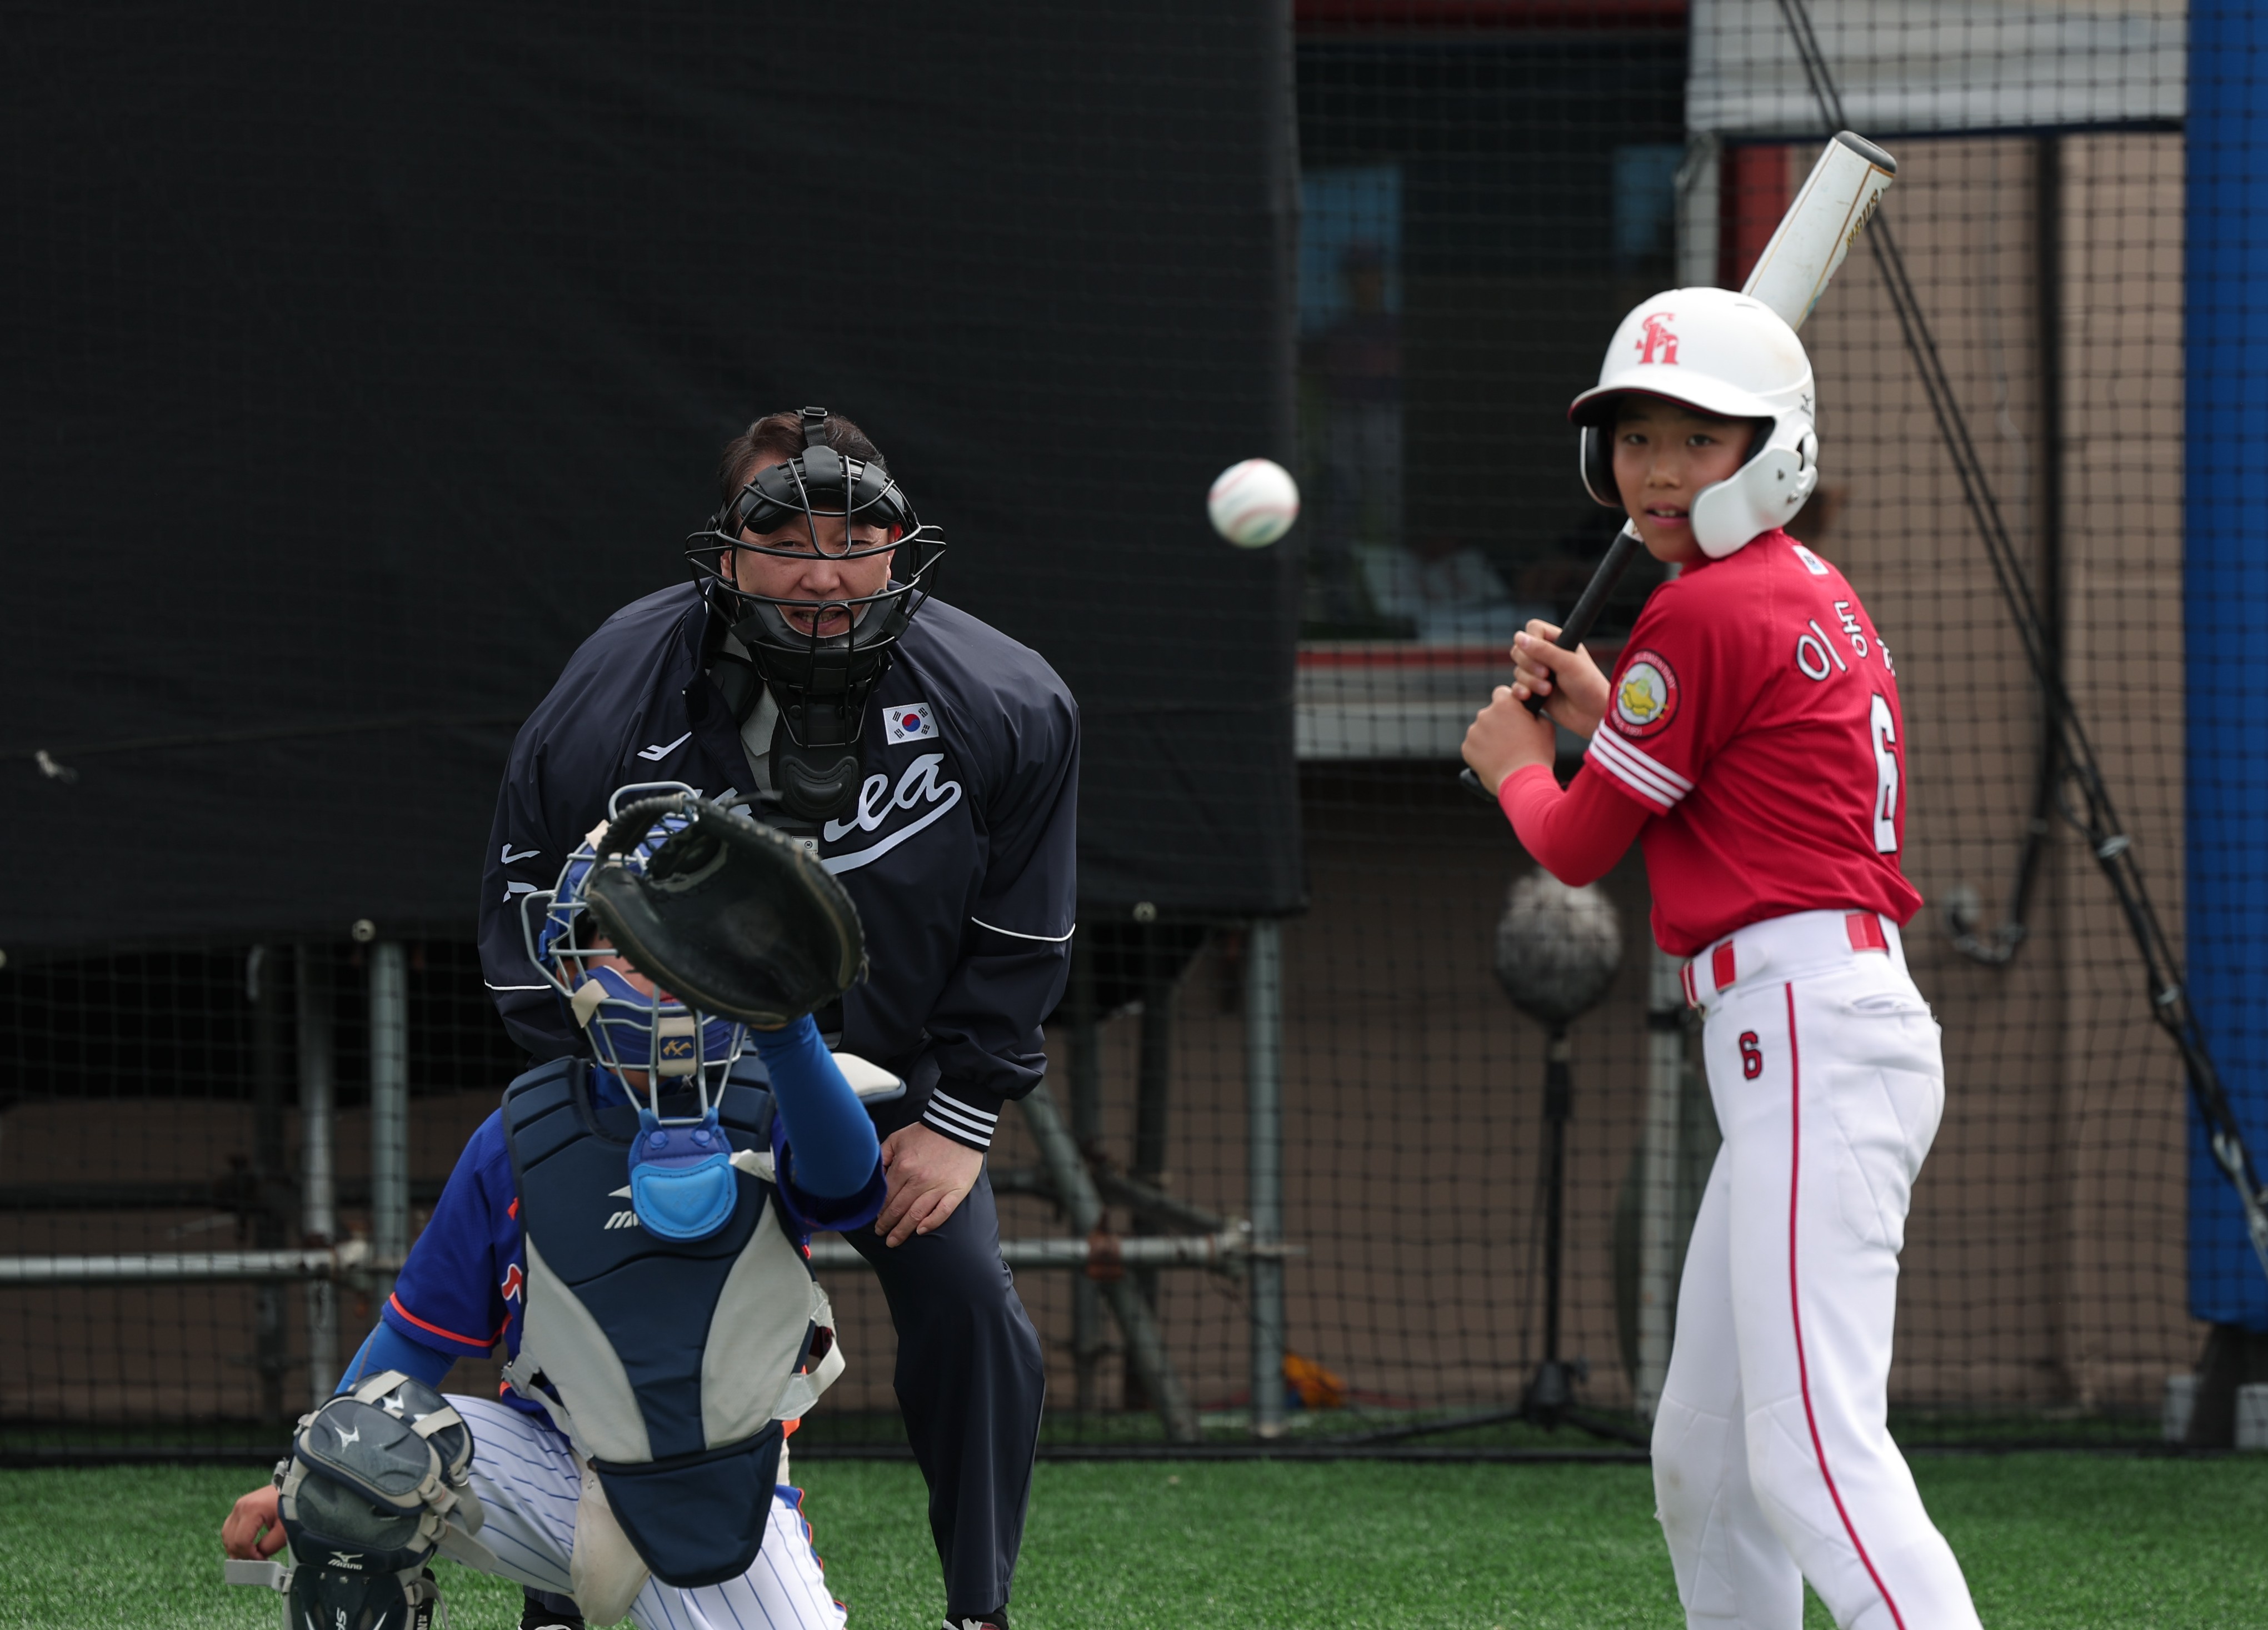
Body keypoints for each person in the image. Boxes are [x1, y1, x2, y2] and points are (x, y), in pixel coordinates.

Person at [479, 407, 1073, 1630]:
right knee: (594, 1308)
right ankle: (568, 1604)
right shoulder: (609, 700)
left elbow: (1023, 935)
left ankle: (981, 1611)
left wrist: (960, 1121)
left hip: (893, 1080)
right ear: (725, 548)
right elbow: (523, 917)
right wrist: (612, 1110)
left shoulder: (1007, 701)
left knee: (970, 1308)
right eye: (782, 533)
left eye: (856, 534)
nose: (820, 570)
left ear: (902, 542)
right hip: (657, 1084)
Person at [1461, 287, 1983, 1630]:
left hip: (1810, 1033)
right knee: (1704, 1453)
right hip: (1810, 1034)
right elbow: (1721, 782)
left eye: (1699, 439)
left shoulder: (1697, 616)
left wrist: (1518, 766)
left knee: (1812, 1454)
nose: (1657, 470)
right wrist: (1598, 707)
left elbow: (1578, 845)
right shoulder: (1786, 588)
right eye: (1636, 438)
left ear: (1773, 448)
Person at [223, 804, 888, 1630]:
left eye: (683, 934)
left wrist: (787, 1030)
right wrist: (304, 1472)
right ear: (572, 954)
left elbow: (848, 1181)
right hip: (557, 1473)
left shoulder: (774, 1089)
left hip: (720, 1493)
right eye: (626, 935)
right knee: (352, 1451)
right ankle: (556, 1598)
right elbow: (414, 1340)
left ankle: (567, 1607)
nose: (655, 960)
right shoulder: (516, 1135)